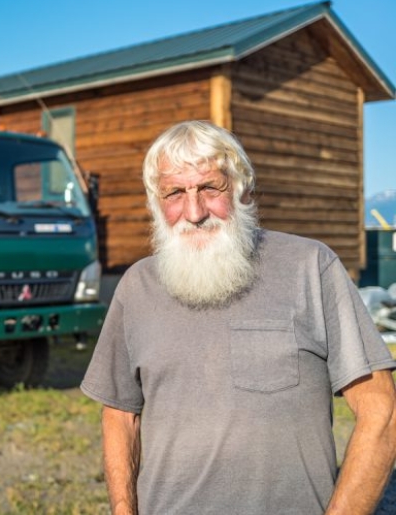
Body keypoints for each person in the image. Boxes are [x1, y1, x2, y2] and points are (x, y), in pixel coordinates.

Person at [81, 120, 396, 514]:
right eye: (175, 192)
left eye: (210, 188)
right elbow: (120, 415)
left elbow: (381, 410)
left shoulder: (310, 267)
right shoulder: (136, 287)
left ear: (242, 187)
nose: (194, 211)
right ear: (156, 203)